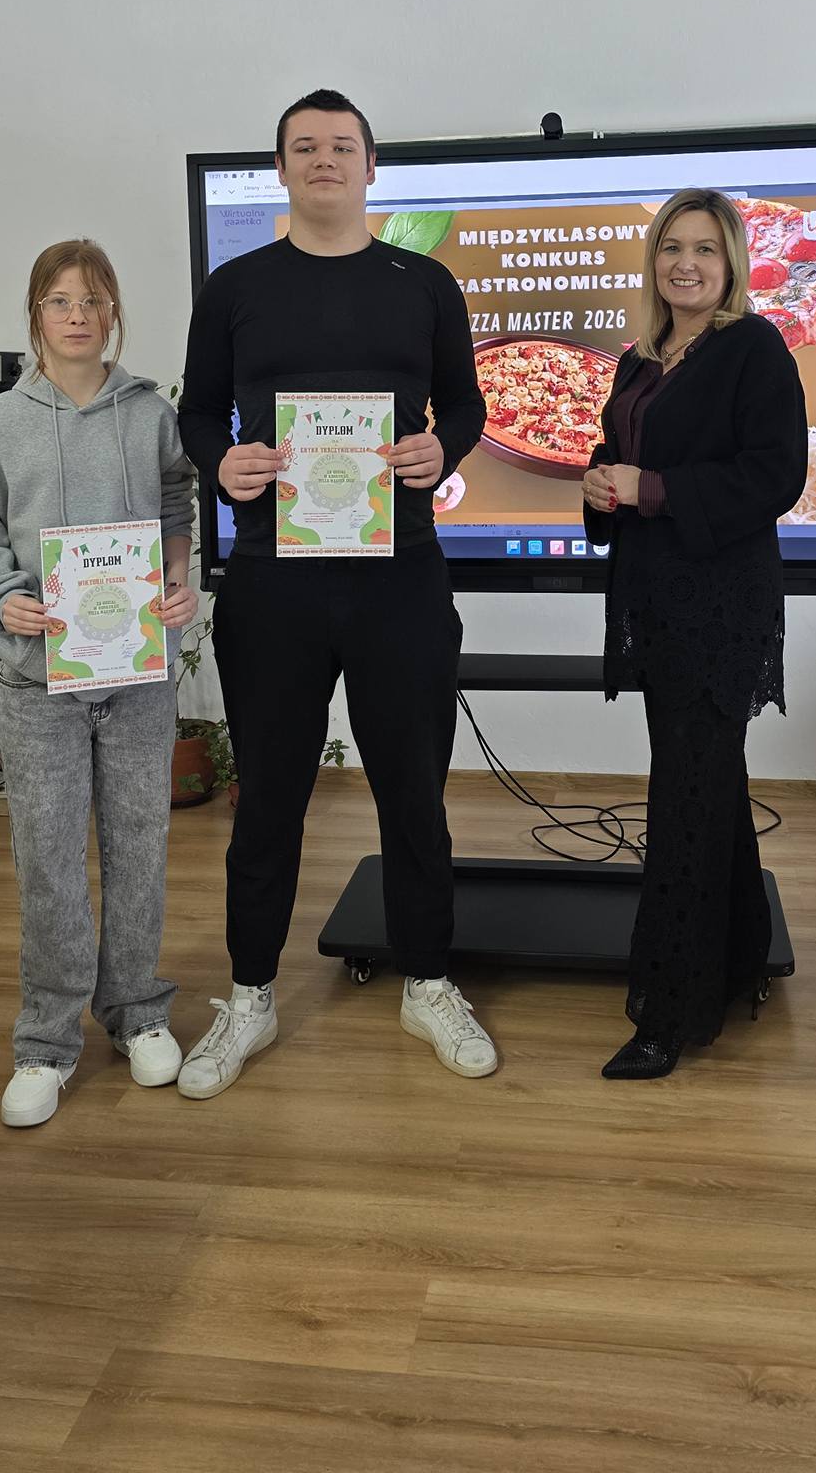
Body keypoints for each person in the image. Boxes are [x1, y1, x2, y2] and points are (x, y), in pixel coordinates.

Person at [176, 87, 498, 1094]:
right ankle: (251, 996)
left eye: (341, 145)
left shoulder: (424, 283)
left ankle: (427, 982)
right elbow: (197, 415)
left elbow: (467, 405)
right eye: (304, 146)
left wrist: (443, 447)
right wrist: (222, 462)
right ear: (280, 169)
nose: (324, 159)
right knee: (268, 798)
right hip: (272, 578)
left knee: (414, 792)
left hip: (401, 572)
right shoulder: (235, 287)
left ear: (370, 167)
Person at [0, 240, 197, 1126]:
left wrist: (178, 576)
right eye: (59, 300)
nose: (77, 315)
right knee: (46, 861)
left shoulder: (149, 412)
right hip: (36, 682)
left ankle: (138, 1012)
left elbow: (175, 503)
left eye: (92, 299)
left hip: (137, 677)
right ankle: (45, 1043)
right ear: (36, 314)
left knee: (139, 850)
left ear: (113, 311)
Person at [583, 188, 808, 1079]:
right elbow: (621, 461)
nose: (685, 263)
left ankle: (668, 1014)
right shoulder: (637, 361)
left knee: (683, 797)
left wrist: (649, 490)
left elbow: (776, 475)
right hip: (654, 601)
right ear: (653, 261)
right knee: (709, 784)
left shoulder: (753, 346)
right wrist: (600, 485)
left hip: (719, 607)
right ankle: (737, 957)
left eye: (704, 249)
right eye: (671, 247)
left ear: (731, 263)